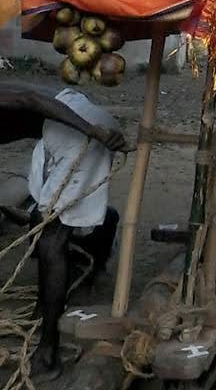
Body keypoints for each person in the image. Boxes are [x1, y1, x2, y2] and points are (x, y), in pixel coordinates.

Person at [0, 81, 126, 376]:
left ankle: (48, 351)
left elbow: (30, 96)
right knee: (42, 215)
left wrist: (90, 130)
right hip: (59, 129)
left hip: (77, 130)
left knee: (51, 240)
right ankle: (46, 306)